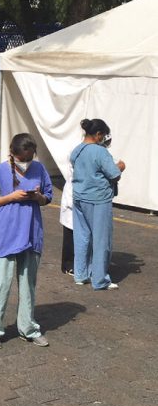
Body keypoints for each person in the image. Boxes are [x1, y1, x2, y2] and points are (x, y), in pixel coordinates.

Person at [0, 133, 53, 349]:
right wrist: (11, 197)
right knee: (0, 284)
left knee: (28, 285)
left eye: (30, 157)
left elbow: (48, 197)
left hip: (30, 234)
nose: (27, 161)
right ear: (13, 153)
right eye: (23, 157)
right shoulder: (1, 170)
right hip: (5, 234)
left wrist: (38, 197)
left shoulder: (39, 169)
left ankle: (28, 328)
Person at [71, 119, 125, 290]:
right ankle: (100, 279)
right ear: (99, 135)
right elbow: (114, 174)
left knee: (81, 236)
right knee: (101, 239)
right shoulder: (100, 152)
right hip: (98, 199)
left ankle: (81, 274)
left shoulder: (77, 150)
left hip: (79, 196)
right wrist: (121, 166)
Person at [60, 160, 75, 276]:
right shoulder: (76, 151)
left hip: (83, 196)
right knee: (70, 233)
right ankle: (68, 265)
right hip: (73, 196)